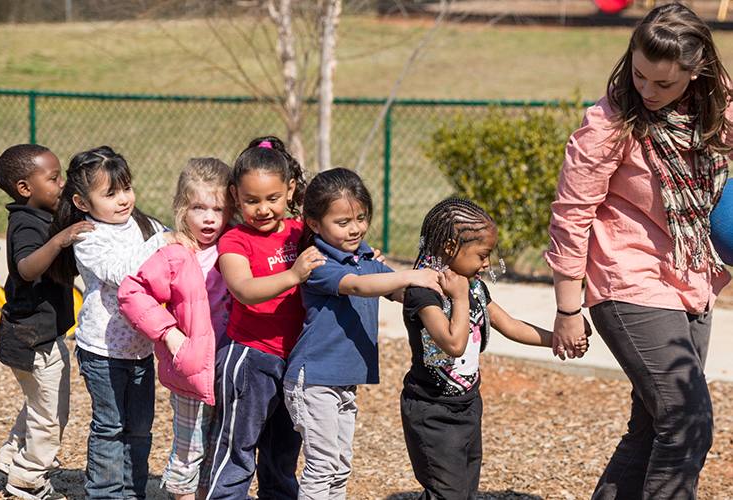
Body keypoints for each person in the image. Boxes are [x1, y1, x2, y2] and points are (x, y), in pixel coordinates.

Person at [544, 4, 733, 499]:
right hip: (627, 280)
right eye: (638, 74)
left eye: (663, 84)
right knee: (687, 421)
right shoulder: (608, 124)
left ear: (697, 73)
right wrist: (567, 307)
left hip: (691, 276)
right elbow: (570, 217)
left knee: (653, 426)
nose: (646, 91)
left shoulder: (714, 109)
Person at [401, 197, 588, 500]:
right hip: (431, 411)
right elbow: (453, 344)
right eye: (483, 254)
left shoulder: (472, 286)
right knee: (447, 492)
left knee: (464, 489)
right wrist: (459, 299)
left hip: (467, 404)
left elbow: (511, 325)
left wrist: (559, 337)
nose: (487, 263)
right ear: (449, 248)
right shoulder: (424, 293)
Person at [283, 168, 441, 500]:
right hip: (314, 379)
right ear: (313, 223)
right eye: (343, 222)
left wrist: (440, 289)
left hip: (343, 379)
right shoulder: (318, 263)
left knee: (340, 467)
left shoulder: (365, 257)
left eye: (361, 218)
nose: (356, 228)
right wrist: (409, 276)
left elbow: (397, 291)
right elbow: (360, 285)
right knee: (322, 467)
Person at [47, 145, 184, 500]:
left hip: (141, 349)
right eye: (110, 193)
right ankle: (106, 494)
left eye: (126, 188)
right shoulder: (88, 235)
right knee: (110, 427)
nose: (124, 199)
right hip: (102, 350)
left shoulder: (143, 224)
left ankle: (133, 491)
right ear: (81, 202)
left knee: (139, 428)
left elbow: (175, 245)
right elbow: (121, 272)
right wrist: (159, 241)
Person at [209, 136, 325, 500]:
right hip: (249, 357)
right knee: (237, 447)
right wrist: (293, 274)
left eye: (272, 199)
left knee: (282, 454)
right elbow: (243, 288)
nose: (262, 209)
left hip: (294, 362)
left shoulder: (301, 232)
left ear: (290, 190)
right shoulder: (234, 241)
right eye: (251, 200)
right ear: (234, 195)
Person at [117, 157, 235, 500]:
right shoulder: (175, 250)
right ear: (183, 207)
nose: (210, 217)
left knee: (216, 446)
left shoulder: (234, 246)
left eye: (218, 208)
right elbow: (131, 293)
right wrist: (170, 334)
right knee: (189, 449)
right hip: (189, 368)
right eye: (199, 207)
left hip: (227, 363)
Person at [0, 144, 95, 500]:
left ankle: (8, 460)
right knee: (49, 414)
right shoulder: (24, 224)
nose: (62, 184)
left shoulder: (40, 216)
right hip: (33, 340)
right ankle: (29, 479)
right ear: (25, 188)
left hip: (40, 336)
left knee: (38, 404)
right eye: (54, 178)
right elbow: (24, 267)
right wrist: (59, 240)